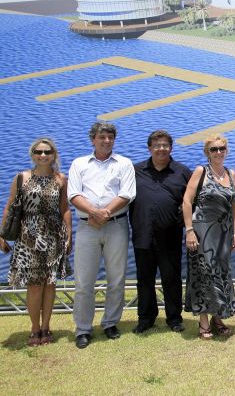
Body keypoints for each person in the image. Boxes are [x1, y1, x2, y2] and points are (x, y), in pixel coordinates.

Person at [68, 122, 136, 349]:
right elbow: (74, 194)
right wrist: (94, 212)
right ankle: (83, 329)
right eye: (102, 137)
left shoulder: (124, 163)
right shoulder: (79, 164)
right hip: (87, 226)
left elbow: (127, 193)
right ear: (93, 139)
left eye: (110, 137)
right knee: (83, 281)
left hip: (116, 225)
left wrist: (105, 212)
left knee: (116, 278)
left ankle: (110, 323)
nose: (106, 141)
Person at [0, 138, 72, 346]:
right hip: (28, 238)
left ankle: (46, 326)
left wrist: (69, 235)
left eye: (47, 152)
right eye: (38, 152)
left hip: (53, 236)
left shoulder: (60, 179)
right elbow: (10, 206)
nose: (43, 155)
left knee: (50, 284)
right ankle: (34, 328)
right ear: (32, 154)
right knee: (34, 285)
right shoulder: (22, 177)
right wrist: (2, 234)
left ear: (53, 154)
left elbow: (64, 208)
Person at [129, 130, 191, 334]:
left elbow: (194, 200)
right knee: (144, 279)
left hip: (170, 235)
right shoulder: (135, 171)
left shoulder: (182, 172)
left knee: (171, 278)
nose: (161, 149)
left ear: (171, 148)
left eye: (165, 145)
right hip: (143, 233)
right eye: (157, 145)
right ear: (149, 148)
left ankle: (174, 318)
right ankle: (146, 318)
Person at [183, 134, 235, 339]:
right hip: (202, 232)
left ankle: (218, 317)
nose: (218, 152)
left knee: (221, 274)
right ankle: (204, 322)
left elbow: (234, 205)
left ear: (226, 150)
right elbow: (187, 201)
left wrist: (234, 231)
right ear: (207, 152)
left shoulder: (231, 174)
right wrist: (189, 230)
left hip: (223, 234)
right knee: (204, 275)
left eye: (221, 148)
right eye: (214, 149)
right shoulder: (201, 172)